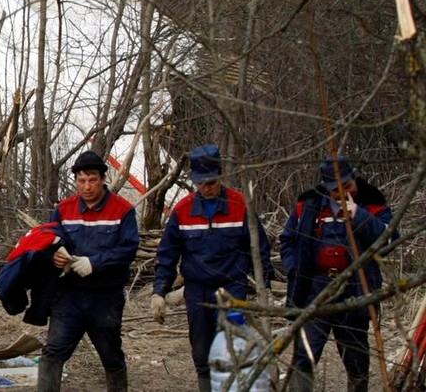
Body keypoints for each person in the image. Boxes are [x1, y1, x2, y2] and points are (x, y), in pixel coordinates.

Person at [151, 144, 274, 392]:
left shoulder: (240, 205)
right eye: (201, 183)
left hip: (232, 287)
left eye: (211, 181)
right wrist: (159, 291)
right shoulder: (183, 210)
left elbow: (258, 247)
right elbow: (167, 253)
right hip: (197, 290)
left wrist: (264, 287)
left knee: (232, 346)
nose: (206, 188)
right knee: (201, 349)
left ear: (220, 174)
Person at [279, 156, 393, 392]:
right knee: (304, 355)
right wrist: (294, 269)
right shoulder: (308, 205)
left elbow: (388, 240)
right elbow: (288, 240)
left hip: (355, 289)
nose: (342, 193)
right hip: (316, 288)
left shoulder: (373, 203)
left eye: (347, 186)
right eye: (335, 190)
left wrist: (360, 217)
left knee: (356, 359)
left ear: (354, 179)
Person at [37, 150, 140, 392]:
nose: (87, 186)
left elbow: (128, 249)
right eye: (81, 181)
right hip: (68, 296)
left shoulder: (122, 210)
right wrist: (56, 256)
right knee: (53, 352)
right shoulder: (64, 209)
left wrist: (95, 263)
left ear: (103, 179)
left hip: (105, 296)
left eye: (92, 180)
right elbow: (50, 240)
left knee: (111, 354)